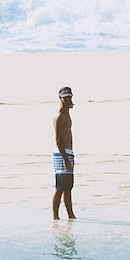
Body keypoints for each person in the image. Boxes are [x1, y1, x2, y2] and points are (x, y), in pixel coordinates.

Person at [51, 88, 76, 221]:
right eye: (65, 98)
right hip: (61, 154)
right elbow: (58, 139)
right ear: (60, 98)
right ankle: (55, 217)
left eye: (69, 97)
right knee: (60, 186)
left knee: (68, 186)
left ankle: (70, 215)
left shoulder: (67, 113)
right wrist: (65, 159)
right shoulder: (60, 115)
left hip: (68, 153)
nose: (68, 100)